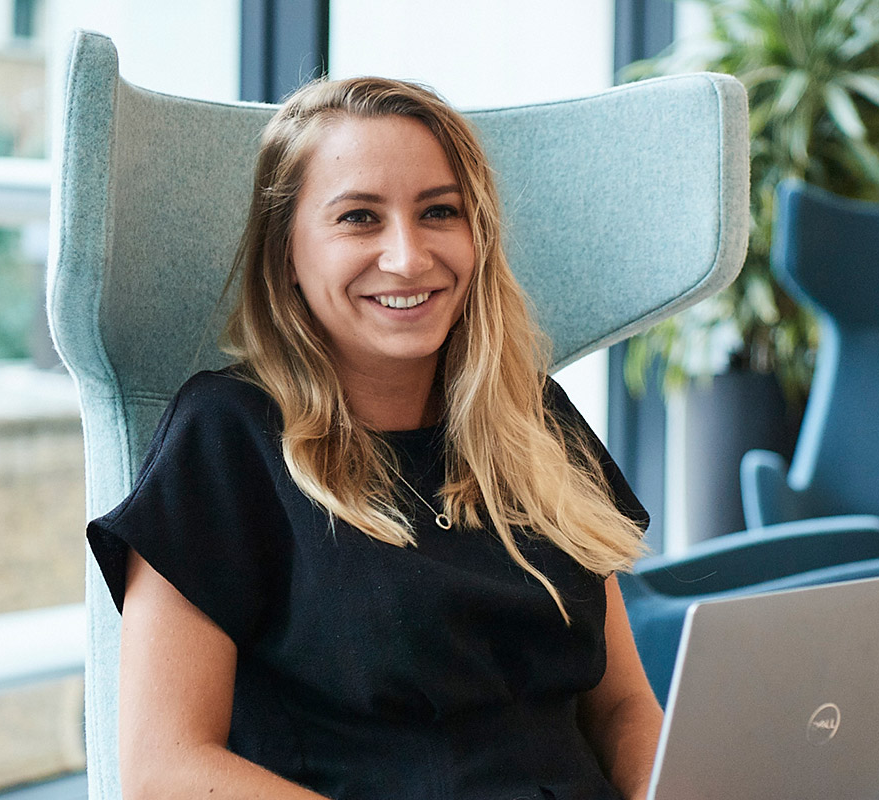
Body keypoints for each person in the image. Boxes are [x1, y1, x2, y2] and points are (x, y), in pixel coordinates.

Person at [86, 77, 664, 800]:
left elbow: (623, 707)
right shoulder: (227, 438)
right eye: (359, 217)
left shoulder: (534, 421)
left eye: (439, 212)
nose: (408, 257)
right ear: (286, 255)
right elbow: (165, 770)